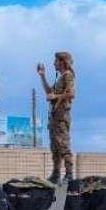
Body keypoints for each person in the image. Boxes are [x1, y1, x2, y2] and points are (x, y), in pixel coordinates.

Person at [38, 51, 75, 184]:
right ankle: (56, 173)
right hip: (54, 115)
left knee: (63, 144)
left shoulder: (68, 75)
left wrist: (56, 97)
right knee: (55, 146)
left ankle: (69, 173)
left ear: (63, 62)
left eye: (56, 61)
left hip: (61, 115)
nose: (54, 63)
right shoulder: (60, 78)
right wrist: (42, 76)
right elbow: (49, 92)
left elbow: (71, 93)